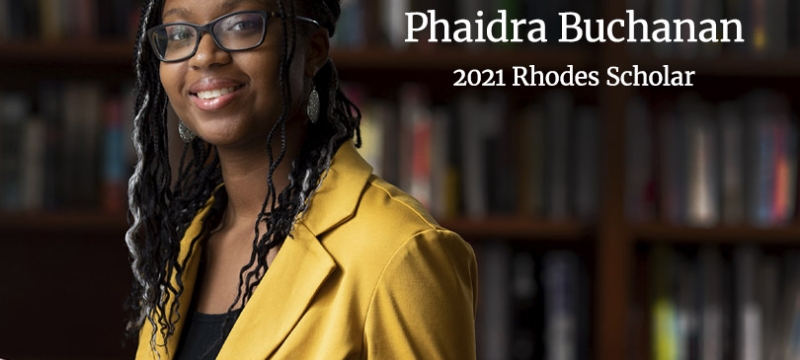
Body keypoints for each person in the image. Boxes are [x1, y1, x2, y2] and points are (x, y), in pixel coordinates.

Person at [125, 0, 478, 359]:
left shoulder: (399, 251)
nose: (204, 56)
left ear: (313, 51)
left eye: (241, 25)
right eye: (180, 34)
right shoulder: (184, 245)